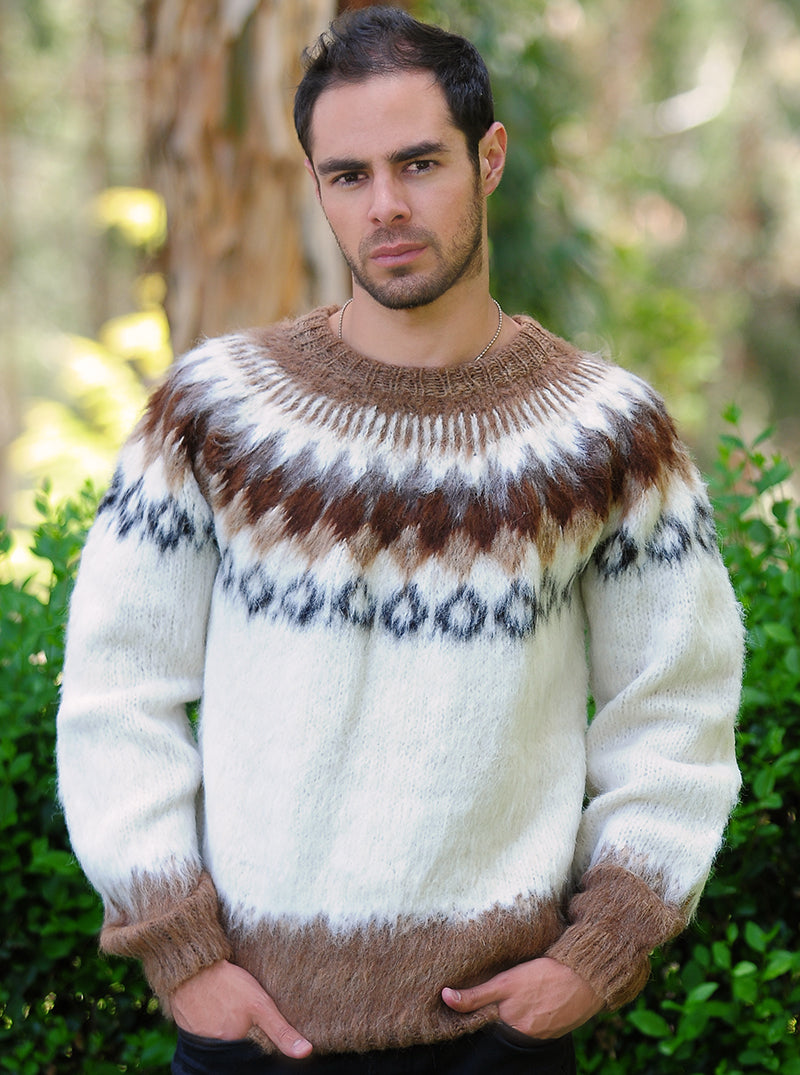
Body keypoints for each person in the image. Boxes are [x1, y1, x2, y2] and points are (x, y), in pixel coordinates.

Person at [56, 7, 743, 1074]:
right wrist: (181, 956)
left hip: (496, 1040)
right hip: (251, 1036)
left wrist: (596, 955)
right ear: (317, 185)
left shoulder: (606, 433)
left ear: (489, 158)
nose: (384, 205)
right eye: (348, 175)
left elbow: (676, 711)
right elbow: (116, 691)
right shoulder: (213, 409)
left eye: (419, 163)